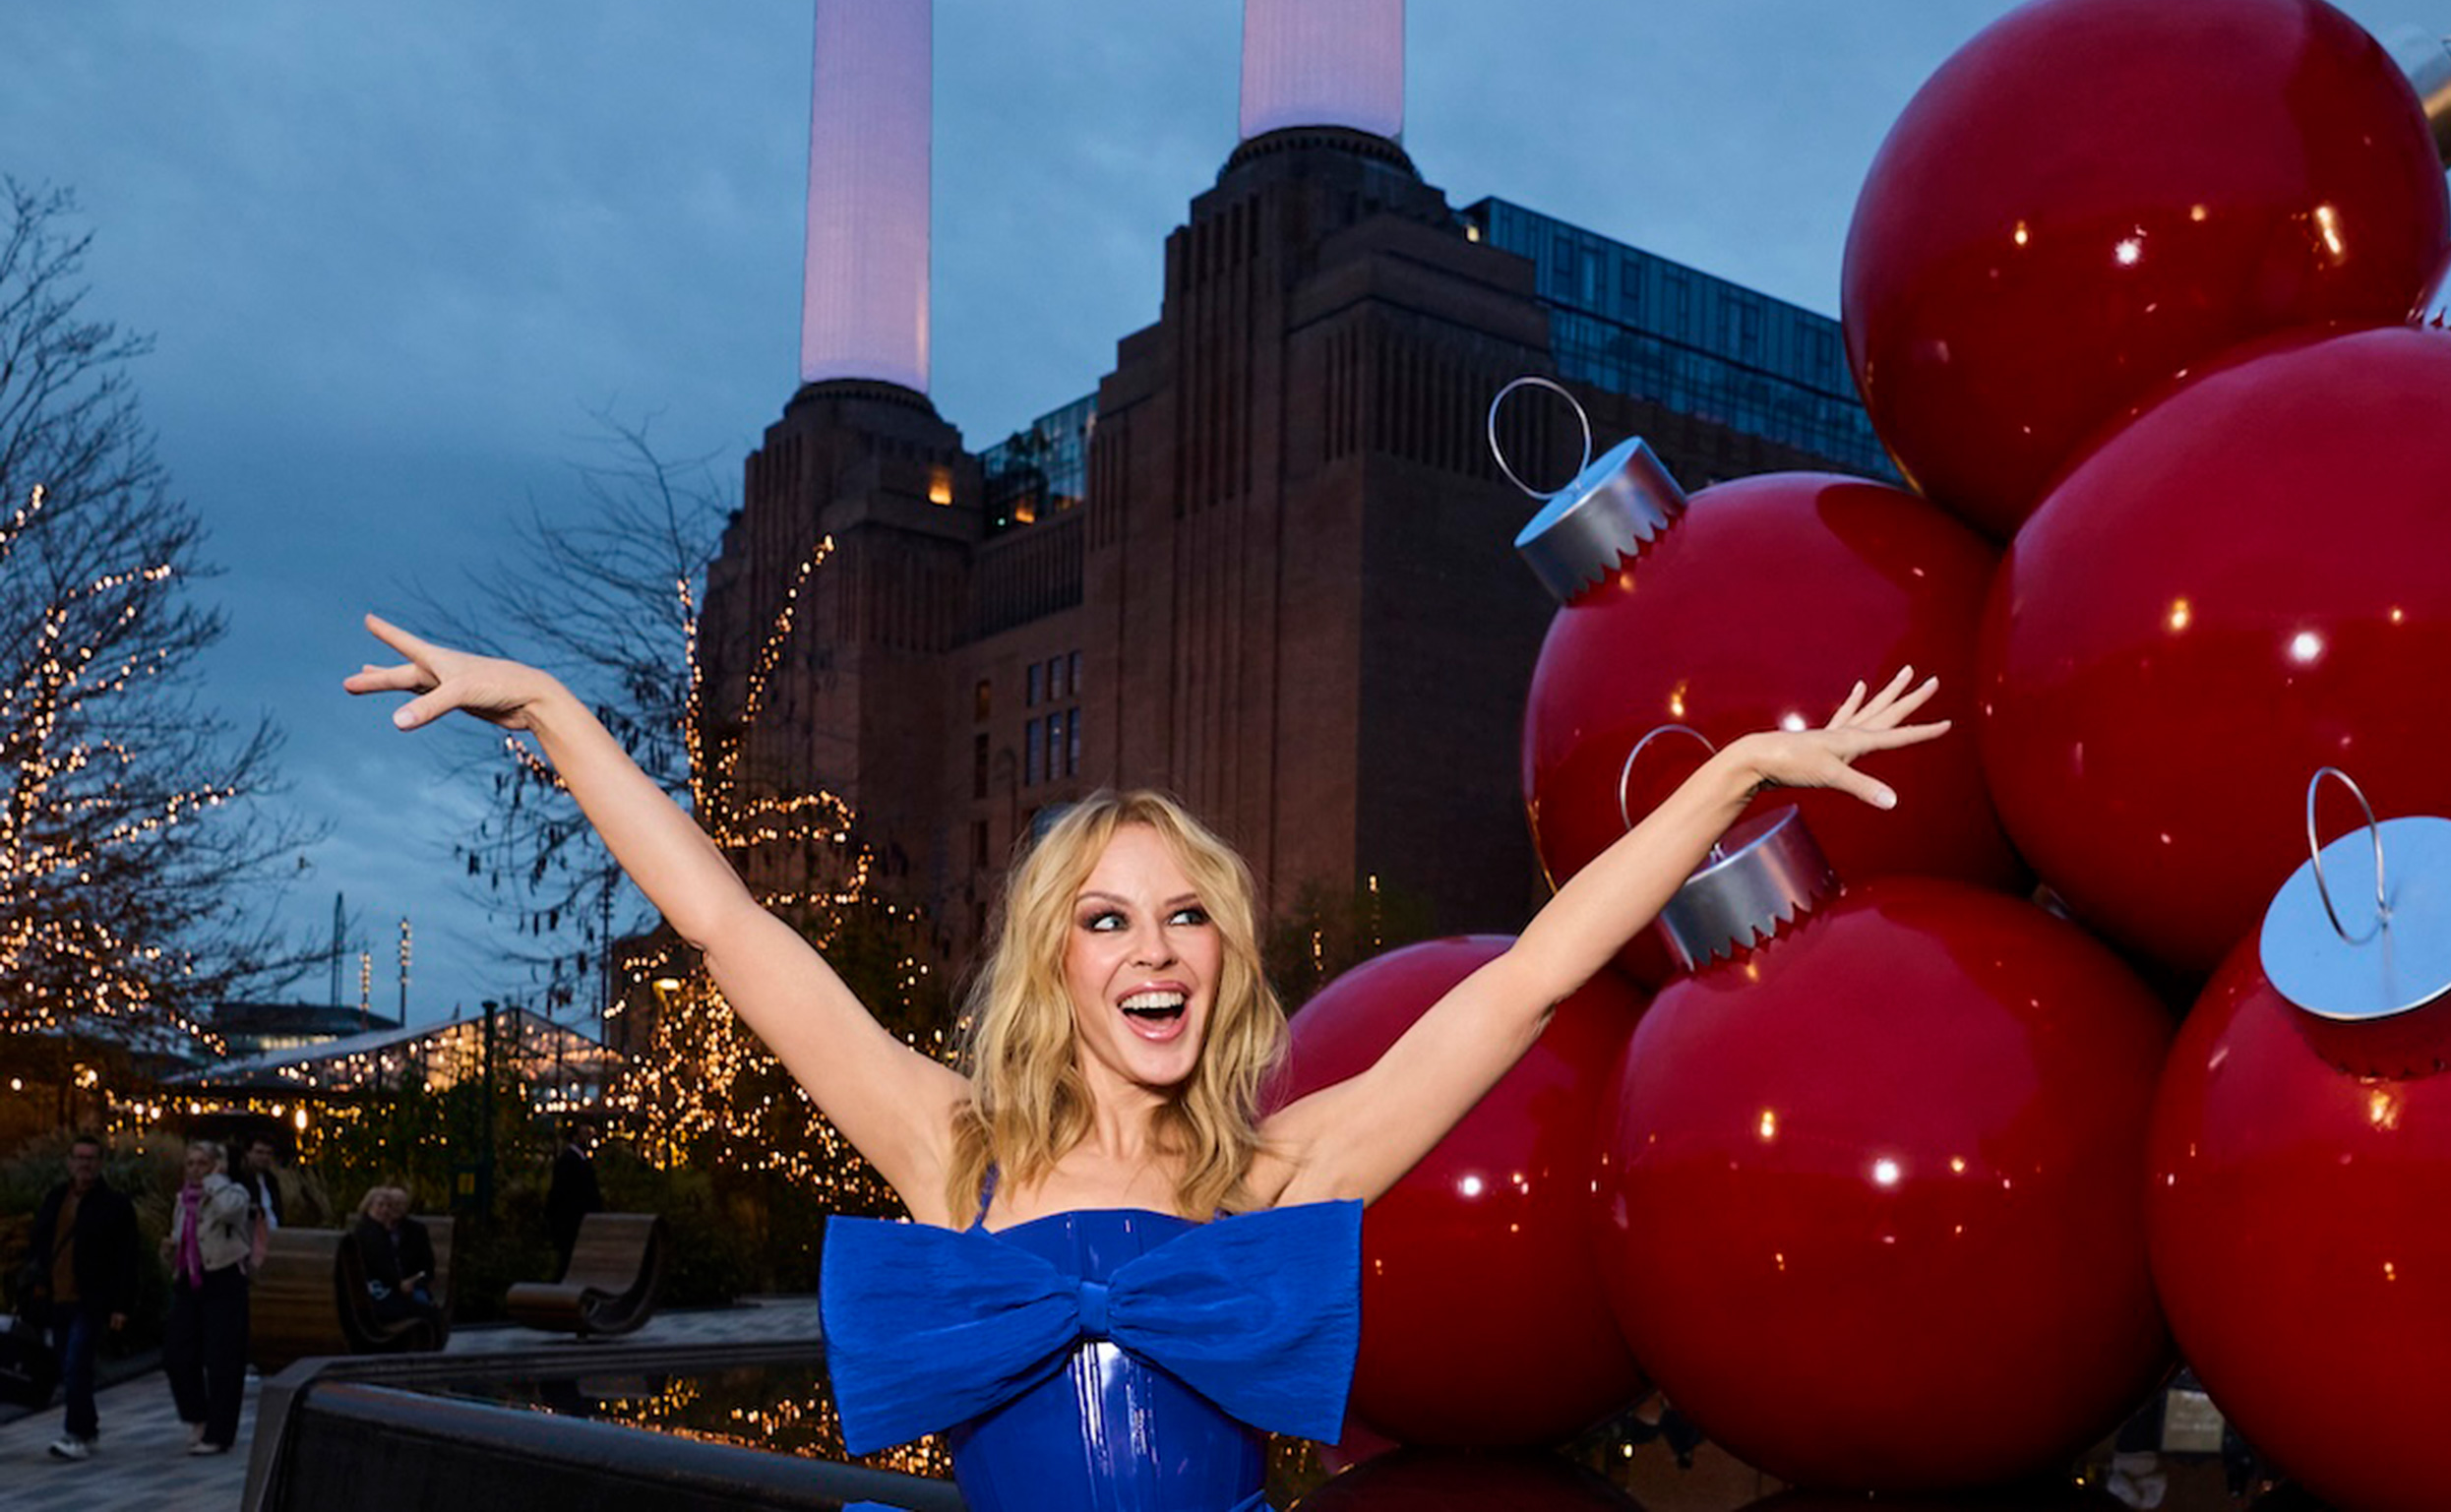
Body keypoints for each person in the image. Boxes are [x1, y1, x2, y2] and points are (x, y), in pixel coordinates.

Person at [348, 616, 1944, 1511]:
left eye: (1187, 916)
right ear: (1059, 959)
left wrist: (1731, 769)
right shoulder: (946, 1143)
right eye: (1108, 919)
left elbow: (1532, 978)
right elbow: (727, 923)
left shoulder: (1279, 1171)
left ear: (1226, 955)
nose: (1154, 949)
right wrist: (552, 708)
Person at [28, 1134, 138, 1462]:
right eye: (79, 1157)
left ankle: (74, 1432)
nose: (84, 1164)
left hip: (91, 1298)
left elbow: (127, 1257)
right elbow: (39, 1242)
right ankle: (86, 1427)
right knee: (69, 1365)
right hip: (56, 1296)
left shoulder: (114, 1205)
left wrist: (121, 1304)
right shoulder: (56, 1198)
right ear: (69, 1162)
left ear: (100, 1163)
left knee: (76, 1363)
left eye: (91, 1158)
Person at [161, 1137, 252, 1456]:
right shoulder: (183, 1199)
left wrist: (216, 1179)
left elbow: (230, 1212)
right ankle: (197, 1415)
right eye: (190, 1163)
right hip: (189, 1278)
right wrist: (171, 1251)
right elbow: (182, 1235)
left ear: (215, 1165)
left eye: (202, 1163)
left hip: (223, 1278)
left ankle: (219, 1432)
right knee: (177, 1354)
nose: (195, 1170)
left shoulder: (230, 1193)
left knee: (223, 1360)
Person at [352, 1185, 439, 1332]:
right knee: (426, 1312)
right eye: (380, 1205)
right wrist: (398, 1284)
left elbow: (427, 1266)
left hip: (404, 1286)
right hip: (380, 1292)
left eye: (389, 1206)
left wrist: (414, 1281)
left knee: (422, 1304)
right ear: (368, 1207)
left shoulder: (408, 1231)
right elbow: (379, 1267)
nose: (385, 1210)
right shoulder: (371, 1233)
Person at [545, 1121, 603, 1279]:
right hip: (573, 1222)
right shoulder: (570, 1162)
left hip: (577, 1221)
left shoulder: (576, 1160)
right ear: (575, 1136)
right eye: (585, 1133)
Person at [236, 1135, 283, 1280]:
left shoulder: (271, 1181)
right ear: (248, 1153)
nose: (264, 1157)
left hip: (274, 1238)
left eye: (268, 1153)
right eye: (259, 1152)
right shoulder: (240, 1181)